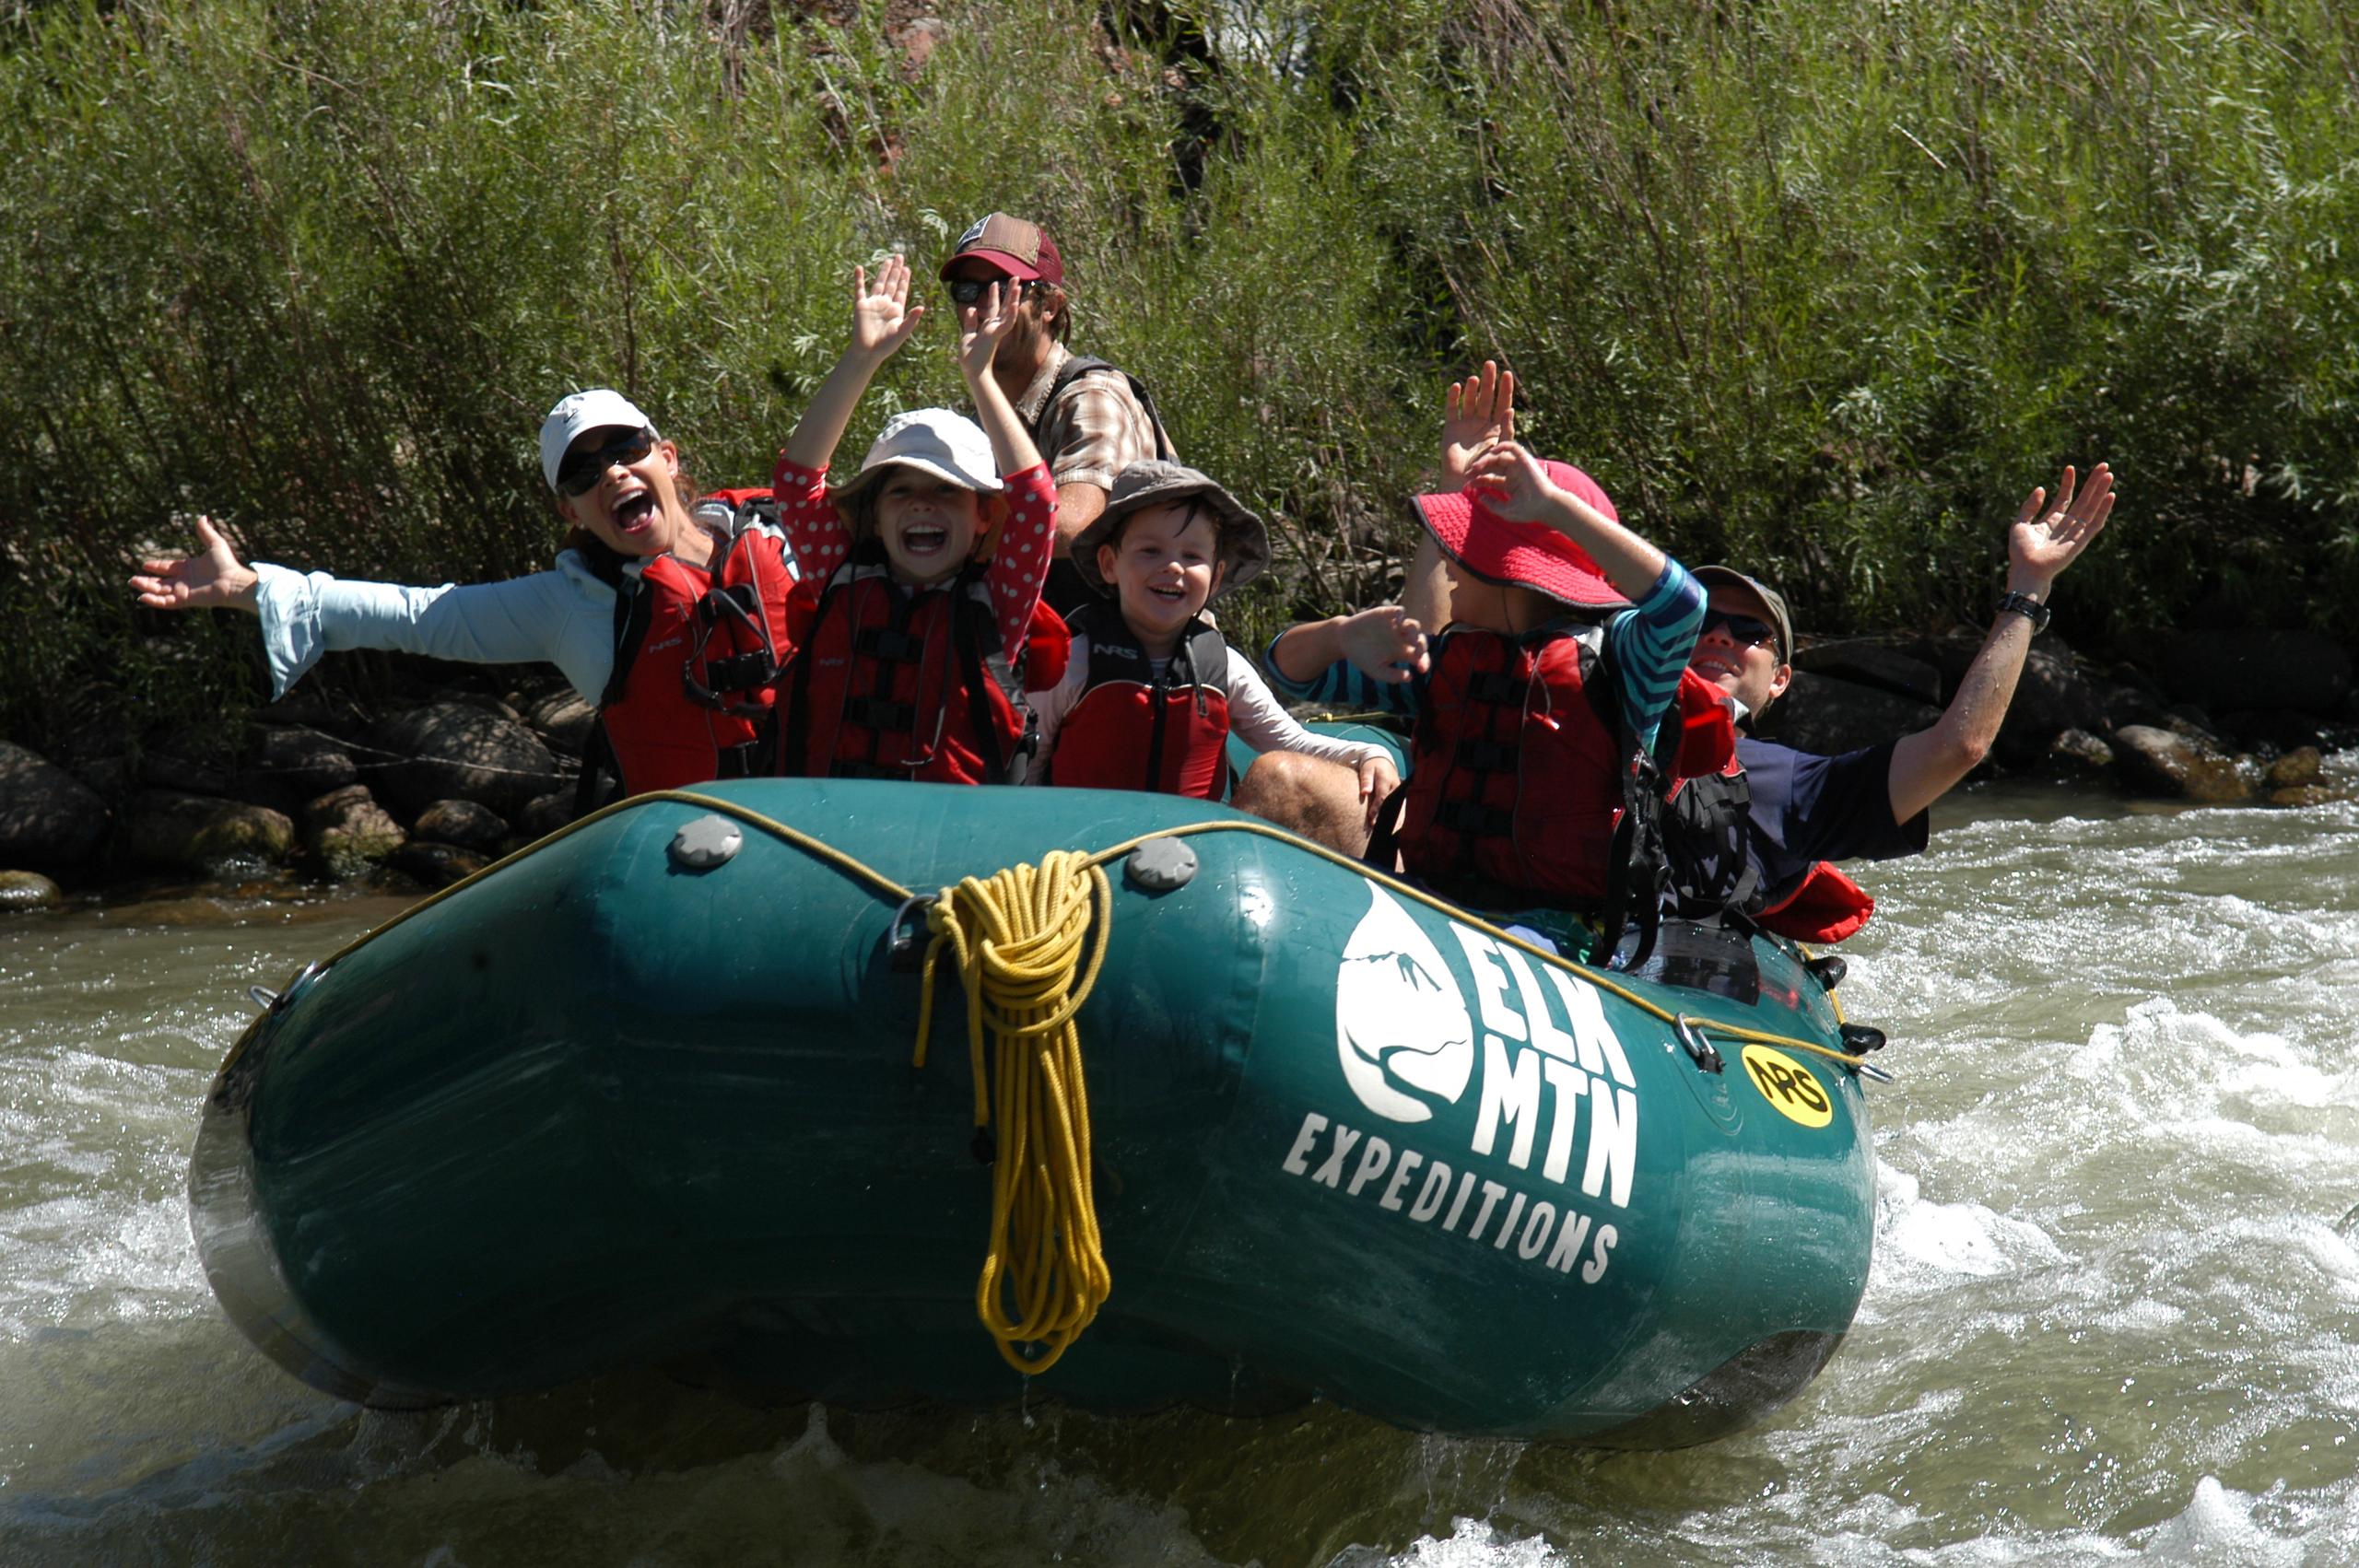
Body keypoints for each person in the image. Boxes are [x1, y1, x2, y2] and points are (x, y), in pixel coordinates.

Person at [129, 390, 798, 802]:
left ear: (669, 457)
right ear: (570, 513)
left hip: (831, 809)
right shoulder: (566, 605)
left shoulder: (775, 532)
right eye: (583, 471)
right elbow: (420, 616)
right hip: (702, 844)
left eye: (624, 448)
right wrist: (252, 588)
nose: (613, 471)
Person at [1265, 425, 1721, 945]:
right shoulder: (1451, 658)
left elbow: (1685, 607)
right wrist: (1338, 634)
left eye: (1467, 553)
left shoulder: (1623, 661)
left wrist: (1554, 509)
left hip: (1553, 933)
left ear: (1516, 576)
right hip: (1427, 901)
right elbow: (1287, 669)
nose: (1452, 569)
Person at [1665, 463, 2115, 942]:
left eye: (1749, 632)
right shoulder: (1607, 712)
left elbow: (1959, 746)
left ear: (1780, 680)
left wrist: (2026, 591)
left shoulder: (1796, 787)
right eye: (1701, 622)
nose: (1718, 635)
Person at [769, 254, 1059, 783]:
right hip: (829, 831)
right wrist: (860, 358)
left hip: (950, 847)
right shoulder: (839, 576)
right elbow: (795, 482)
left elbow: (1036, 502)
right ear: (875, 519)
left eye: (947, 492)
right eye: (900, 491)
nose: (922, 504)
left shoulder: (998, 606)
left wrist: (981, 377)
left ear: (981, 516)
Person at [1036, 458, 1398, 834]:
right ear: (1110, 564)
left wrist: (1370, 753)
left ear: (1216, 575)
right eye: (1150, 551)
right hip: (1081, 850)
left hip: (1191, 857)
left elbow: (1292, 741)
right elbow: (1029, 765)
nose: (1174, 567)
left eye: (1192, 556)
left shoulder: (1224, 667)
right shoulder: (1073, 660)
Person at [937, 211, 1175, 617]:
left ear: (1049, 305)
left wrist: (949, 537)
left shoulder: (1092, 395)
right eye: (967, 290)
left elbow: (1070, 529)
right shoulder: (985, 420)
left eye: (1001, 288)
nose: (983, 306)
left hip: (1131, 660)